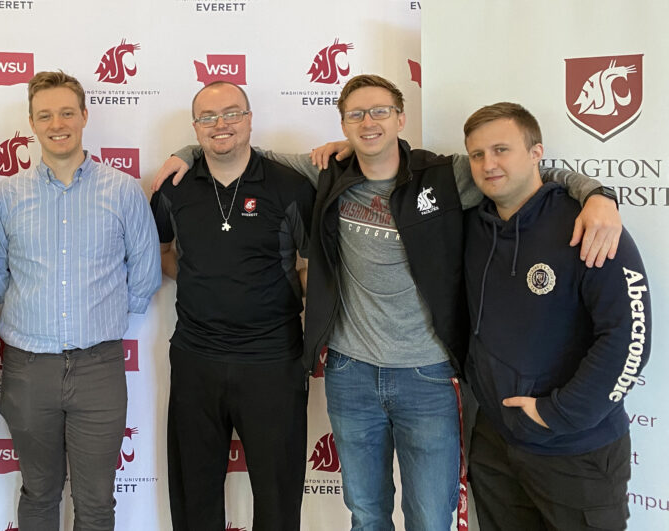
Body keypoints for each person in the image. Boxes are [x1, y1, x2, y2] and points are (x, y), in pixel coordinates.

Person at [152, 74, 621, 530]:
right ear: (343, 125)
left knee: (429, 518)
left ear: (400, 119)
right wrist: (188, 150)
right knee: (366, 516)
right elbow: (231, 149)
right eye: (356, 114)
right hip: (349, 374)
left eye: (380, 111)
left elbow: (521, 173)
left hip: (428, 376)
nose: (368, 121)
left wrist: (598, 194)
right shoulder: (328, 172)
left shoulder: (445, 175)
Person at [0, 70, 161, 531]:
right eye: (45, 115)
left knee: (97, 500)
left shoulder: (122, 191)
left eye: (66, 112)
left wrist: (97, 320)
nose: (56, 123)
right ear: (31, 123)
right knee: (39, 493)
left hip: (98, 367)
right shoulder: (7, 197)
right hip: (27, 368)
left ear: (84, 116)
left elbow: (144, 274)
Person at [462, 102, 649, 531]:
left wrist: (558, 414)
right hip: (496, 445)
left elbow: (629, 336)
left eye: (502, 149)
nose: (489, 164)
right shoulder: (472, 225)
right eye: (477, 154)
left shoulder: (591, 225)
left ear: (536, 153)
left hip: (576, 450)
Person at [150, 81, 315, 530]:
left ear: (249, 119)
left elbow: (307, 265)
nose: (220, 124)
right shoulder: (173, 188)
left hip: (273, 363)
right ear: (195, 127)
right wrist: (210, 280)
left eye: (231, 113)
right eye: (207, 117)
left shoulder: (291, 187)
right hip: (196, 360)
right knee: (194, 499)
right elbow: (164, 252)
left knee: (278, 501)